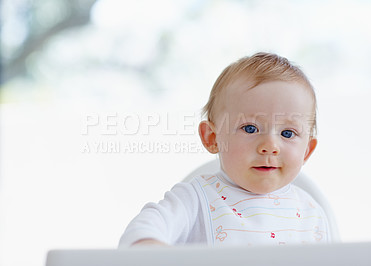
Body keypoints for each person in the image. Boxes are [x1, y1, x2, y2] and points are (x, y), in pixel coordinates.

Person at [119, 52, 331, 247]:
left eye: (287, 133)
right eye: (250, 128)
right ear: (212, 138)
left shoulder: (312, 214)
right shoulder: (194, 199)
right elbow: (141, 230)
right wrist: (149, 248)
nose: (270, 146)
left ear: (307, 151)